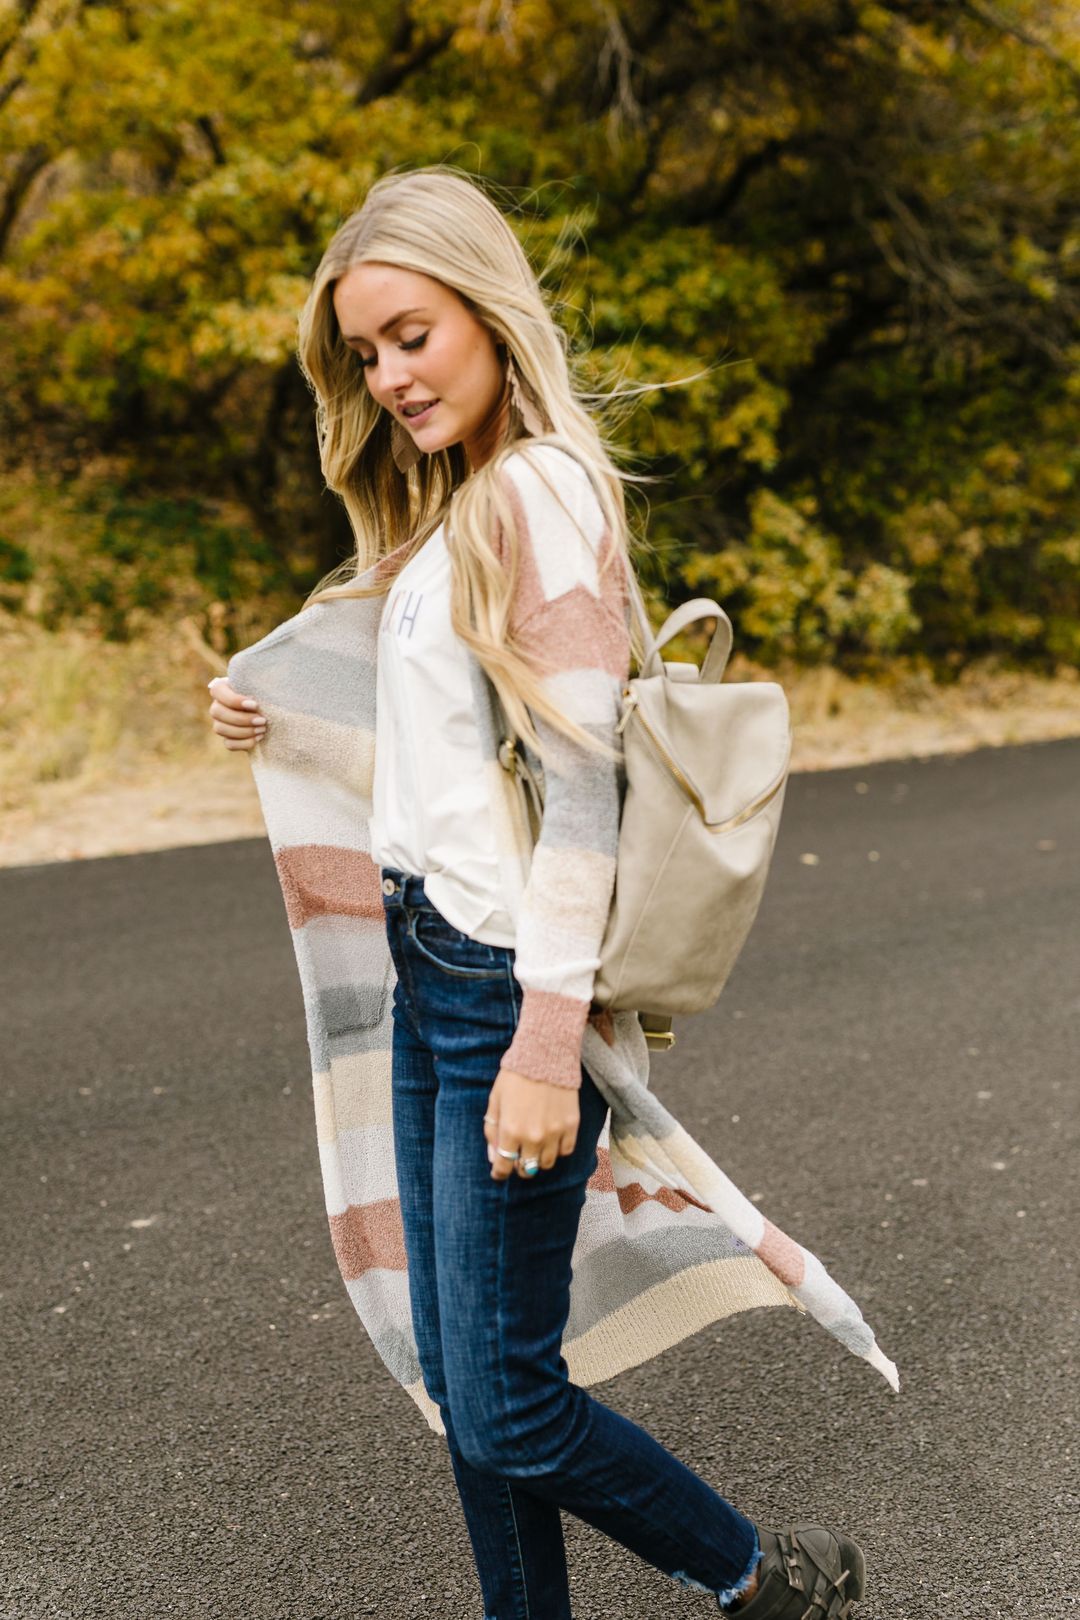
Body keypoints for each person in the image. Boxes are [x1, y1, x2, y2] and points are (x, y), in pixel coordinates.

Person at [208, 165, 870, 1619]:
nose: (388, 377)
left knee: (505, 1402)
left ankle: (760, 1577)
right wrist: (297, 733)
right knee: (466, 1384)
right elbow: (460, 772)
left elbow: (580, 802)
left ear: (488, 313)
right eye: (366, 353)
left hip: (504, 989)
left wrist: (544, 1047)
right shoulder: (468, 508)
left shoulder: (542, 499)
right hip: (439, 958)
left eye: (412, 336)